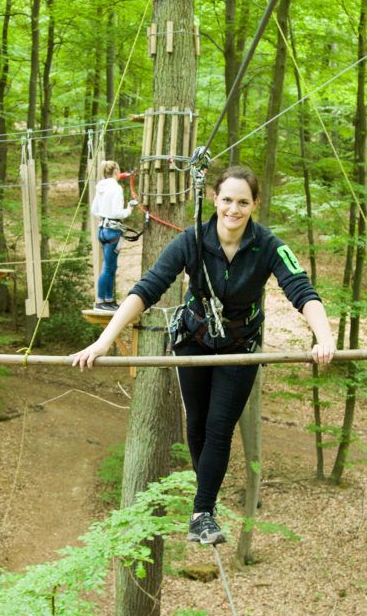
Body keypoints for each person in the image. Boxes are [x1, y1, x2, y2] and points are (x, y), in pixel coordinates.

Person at [73, 165, 335, 545]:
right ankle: (206, 491)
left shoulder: (268, 246)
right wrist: (104, 342)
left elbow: (302, 291)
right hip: (194, 340)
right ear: (214, 198)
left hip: (239, 347)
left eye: (242, 202)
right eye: (227, 200)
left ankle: (202, 513)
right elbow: (147, 289)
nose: (233, 209)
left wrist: (324, 338)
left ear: (255, 204)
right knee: (196, 424)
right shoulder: (192, 240)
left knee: (219, 426)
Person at [91, 160, 132, 311]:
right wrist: (128, 209)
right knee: (108, 267)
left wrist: (105, 216)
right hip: (112, 231)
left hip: (103, 230)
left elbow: (94, 210)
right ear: (115, 172)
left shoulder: (101, 187)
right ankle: (101, 301)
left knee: (111, 266)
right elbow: (116, 212)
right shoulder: (116, 188)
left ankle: (108, 300)